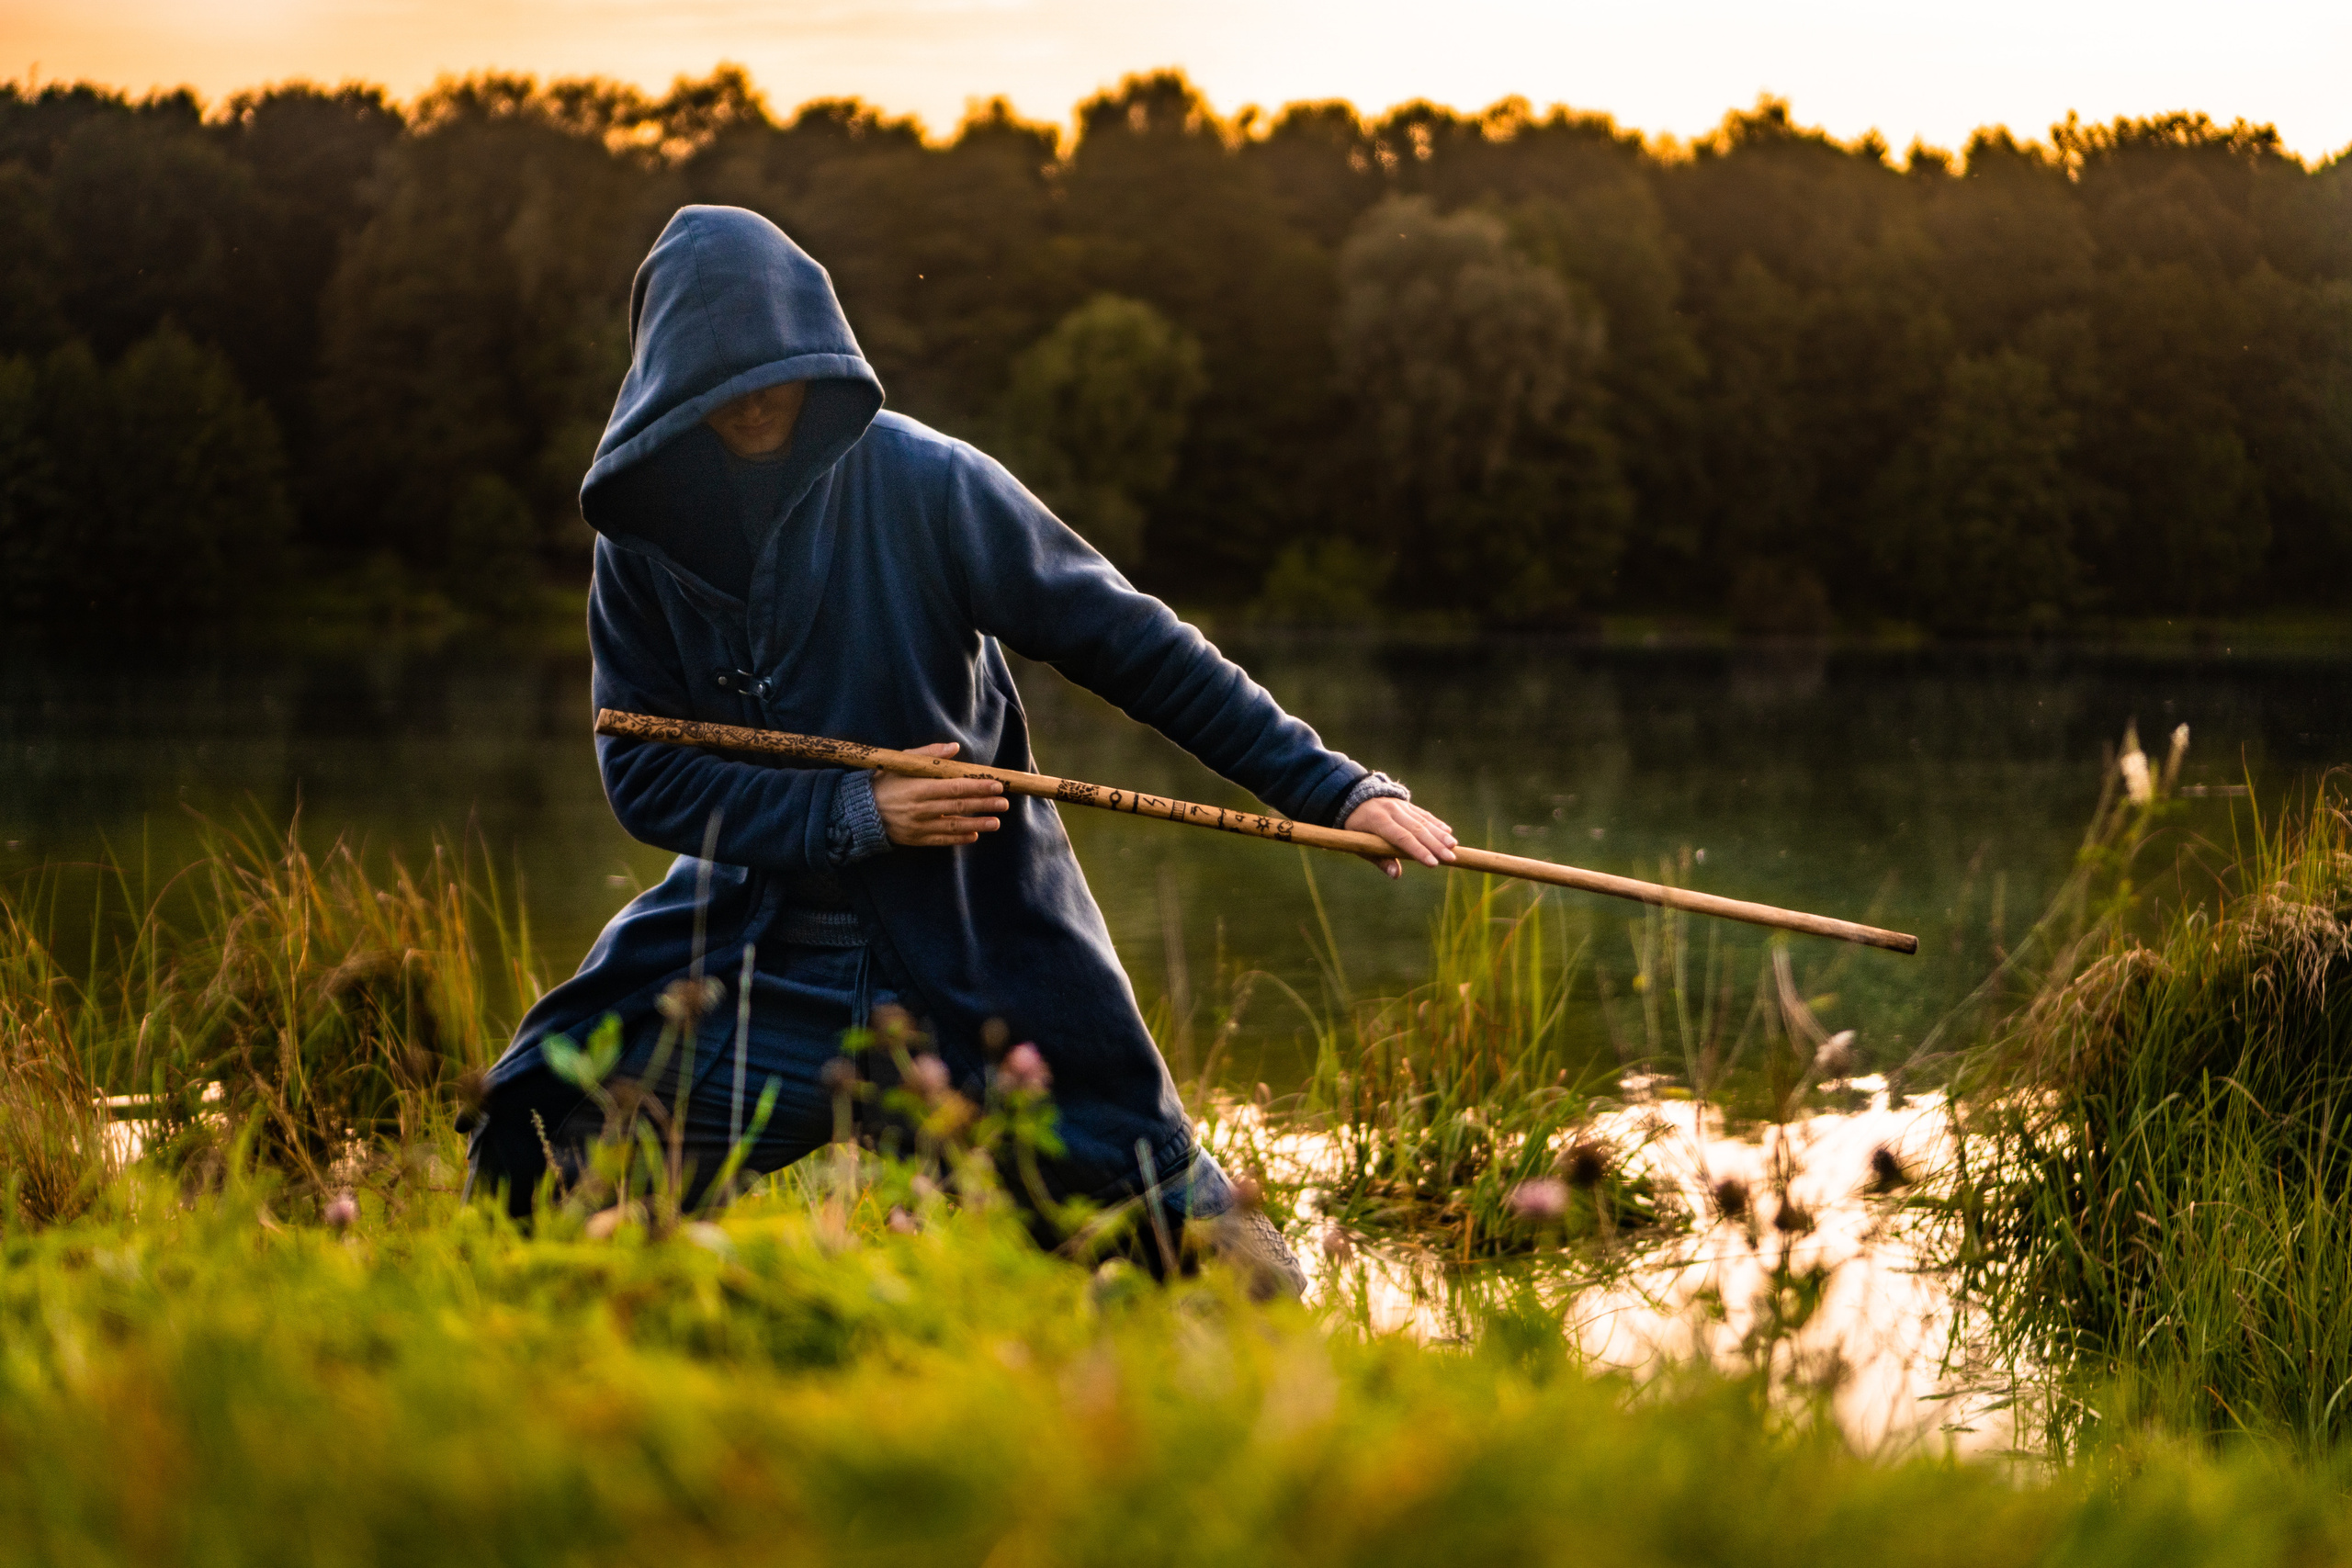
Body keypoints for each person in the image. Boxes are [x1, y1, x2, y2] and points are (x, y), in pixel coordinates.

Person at [467, 205, 1456, 1294]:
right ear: (671, 384)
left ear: (815, 353)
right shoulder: (639, 541)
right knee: (536, 1146)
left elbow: (1135, 646)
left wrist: (1332, 788)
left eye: (771, 368)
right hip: (754, 956)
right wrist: (851, 813)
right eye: (717, 377)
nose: (751, 398)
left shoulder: (928, 482)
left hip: (978, 959)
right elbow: (643, 774)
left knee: (1226, 1279)